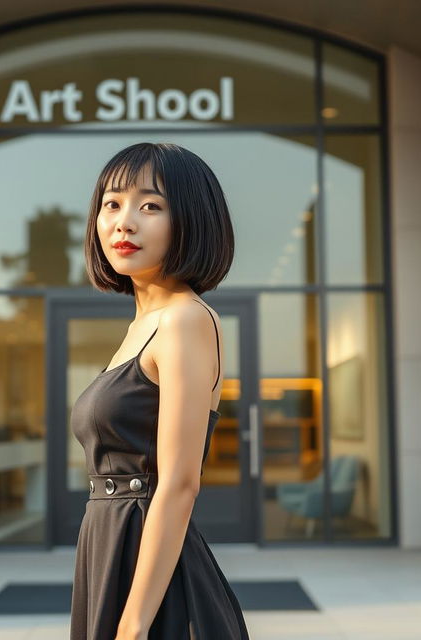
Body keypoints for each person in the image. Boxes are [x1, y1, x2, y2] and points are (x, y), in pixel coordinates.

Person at [70, 142, 250, 640]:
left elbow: (179, 482)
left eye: (150, 205)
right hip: (109, 547)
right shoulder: (141, 327)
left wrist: (132, 625)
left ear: (190, 220)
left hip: (150, 571)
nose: (124, 222)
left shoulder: (186, 320)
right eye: (112, 203)